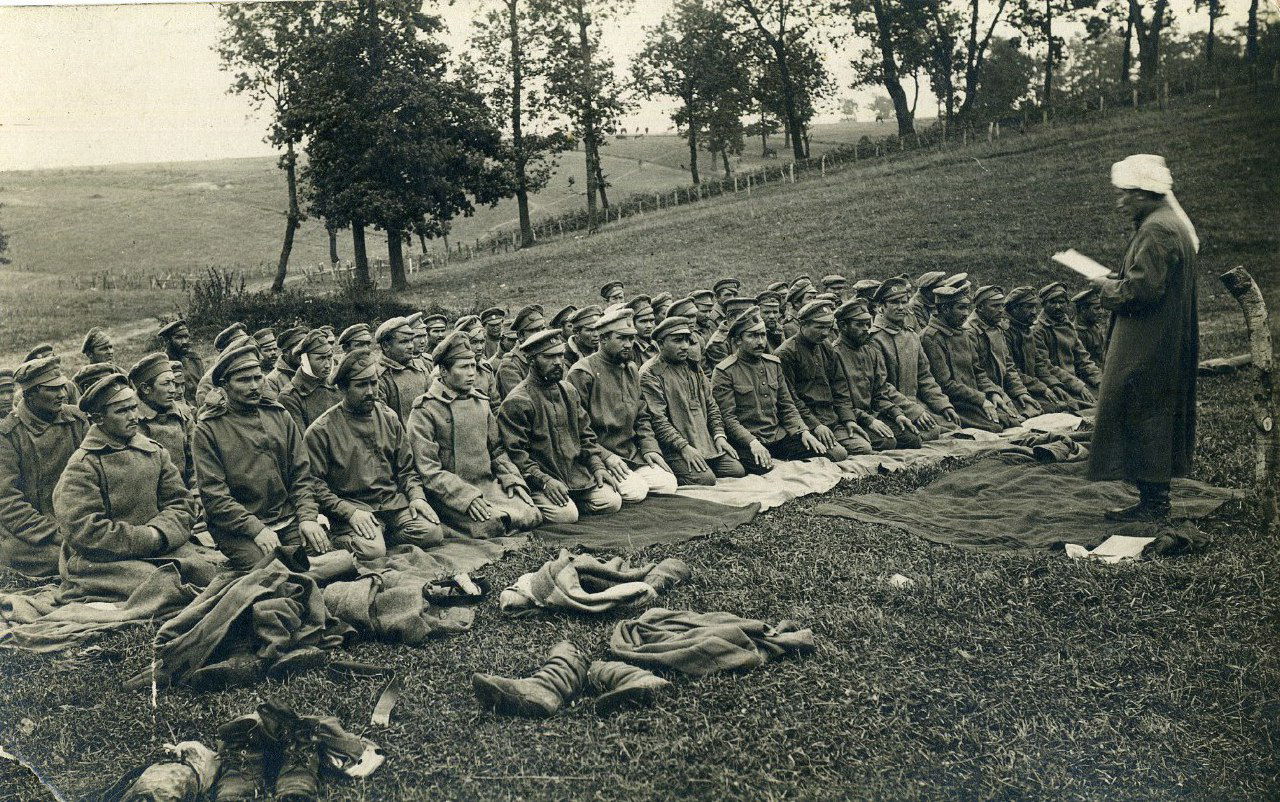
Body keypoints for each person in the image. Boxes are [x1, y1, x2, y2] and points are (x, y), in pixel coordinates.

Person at [1089, 153, 1200, 522]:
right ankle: (1153, 498)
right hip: (1162, 335)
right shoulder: (1168, 223)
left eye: (1126, 194)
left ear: (1145, 193)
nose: (1121, 201)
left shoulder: (1157, 229)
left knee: (1141, 406)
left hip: (1149, 339)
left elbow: (1142, 292)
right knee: (1150, 408)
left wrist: (1107, 287)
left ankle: (1154, 503)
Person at [53, 374, 218, 603]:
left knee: (209, 575)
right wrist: (145, 538)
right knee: (162, 585)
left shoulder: (155, 452)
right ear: (99, 418)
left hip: (160, 546)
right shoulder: (83, 465)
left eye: (133, 408)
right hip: (104, 560)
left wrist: (159, 533)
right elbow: (84, 530)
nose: (134, 417)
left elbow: (181, 504)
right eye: (122, 411)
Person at [192, 344, 328, 571]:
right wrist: (256, 529)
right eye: (244, 380)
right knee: (272, 572)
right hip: (239, 527)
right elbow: (215, 497)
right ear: (224, 385)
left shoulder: (279, 415)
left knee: (322, 552)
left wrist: (307, 517)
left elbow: (301, 474)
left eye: (258, 378)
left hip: (287, 517)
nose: (255, 386)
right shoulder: (208, 428)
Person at [305, 350, 442, 559]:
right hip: (353, 507)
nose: (370, 391)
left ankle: (383, 533)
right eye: (361, 385)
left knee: (432, 532)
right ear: (343, 389)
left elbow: (406, 469)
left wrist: (416, 497)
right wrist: (349, 513)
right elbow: (315, 485)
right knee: (373, 550)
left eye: (374, 383)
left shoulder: (388, 418)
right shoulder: (321, 431)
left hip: (390, 503)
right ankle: (341, 538)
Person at [410, 333, 542, 536]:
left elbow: (497, 450)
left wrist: (512, 480)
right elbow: (429, 470)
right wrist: (466, 498)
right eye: (464, 367)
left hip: (486, 485)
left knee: (531, 514)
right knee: (491, 525)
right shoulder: (425, 410)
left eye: (473, 366)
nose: (472, 373)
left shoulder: (481, 402)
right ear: (444, 371)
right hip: (450, 492)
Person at [498, 329, 622, 523]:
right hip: (541, 479)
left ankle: (571, 500)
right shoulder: (518, 400)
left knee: (612, 501)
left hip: (575, 476)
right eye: (549, 357)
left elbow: (586, 436)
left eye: (560, 356)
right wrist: (544, 481)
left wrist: (597, 466)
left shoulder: (568, 391)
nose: (557, 362)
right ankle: (556, 503)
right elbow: (516, 455)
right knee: (567, 515)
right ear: (532, 360)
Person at [568, 307, 677, 504]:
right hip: (598, 456)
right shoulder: (583, 372)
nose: (628, 345)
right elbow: (576, 429)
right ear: (603, 339)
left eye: (631, 339)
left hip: (630, 454)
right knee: (636, 491)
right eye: (621, 339)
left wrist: (649, 448)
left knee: (668, 483)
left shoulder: (631, 368)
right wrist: (605, 456)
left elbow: (642, 416)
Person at [0, 358, 89, 577]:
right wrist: (54, 533)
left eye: (62, 386)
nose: (62, 394)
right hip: (34, 532)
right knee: (65, 559)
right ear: (29, 394)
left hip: (80, 519)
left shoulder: (76, 421)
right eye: (52, 389)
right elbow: (8, 502)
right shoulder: (8, 435)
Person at [712, 309, 827, 474]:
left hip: (777, 436)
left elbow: (787, 404)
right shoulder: (724, 371)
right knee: (764, 467)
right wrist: (752, 442)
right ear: (738, 340)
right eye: (752, 336)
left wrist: (802, 431)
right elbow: (728, 418)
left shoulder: (773, 364)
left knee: (824, 453)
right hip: (748, 441)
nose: (760, 342)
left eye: (762, 335)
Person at [640, 315, 745, 485]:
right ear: (660, 343)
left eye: (687, 340)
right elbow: (658, 420)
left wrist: (719, 435)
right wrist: (683, 447)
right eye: (677, 340)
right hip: (674, 448)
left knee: (736, 470)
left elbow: (711, 405)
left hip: (704, 442)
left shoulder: (693, 366)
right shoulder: (650, 374)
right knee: (707, 479)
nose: (684, 346)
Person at [775, 300, 865, 459]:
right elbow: (789, 399)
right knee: (839, 454)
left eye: (828, 327)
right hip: (806, 424)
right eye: (819, 327)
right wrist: (815, 426)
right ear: (803, 325)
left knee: (868, 446)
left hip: (831, 419)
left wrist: (848, 419)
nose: (825, 333)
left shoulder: (826, 346)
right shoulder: (786, 353)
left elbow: (839, 386)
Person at [921, 284, 1018, 432]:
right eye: (961, 308)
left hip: (972, 398)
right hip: (953, 402)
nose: (966, 314)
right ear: (945, 309)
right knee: (996, 427)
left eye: (967, 308)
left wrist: (993, 393)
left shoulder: (963, 333)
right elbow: (945, 384)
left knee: (1012, 420)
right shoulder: (931, 338)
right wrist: (981, 399)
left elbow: (978, 372)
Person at [871, 277, 960, 438]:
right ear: (881, 307)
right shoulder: (875, 339)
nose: (901, 307)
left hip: (916, 404)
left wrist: (943, 405)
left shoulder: (911, 336)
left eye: (904, 302)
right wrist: (914, 411)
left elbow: (925, 377)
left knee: (954, 427)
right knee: (933, 434)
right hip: (890, 408)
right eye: (894, 303)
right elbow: (882, 386)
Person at [832, 299, 923, 450]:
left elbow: (880, 392)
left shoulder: (870, 352)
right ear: (843, 326)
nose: (866, 329)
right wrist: (869, 421)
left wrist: (896, 414)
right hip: (848, 419)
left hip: (872, 415)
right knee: (887, 442)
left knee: (913, 438)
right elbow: (839, 402)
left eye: (868, 324)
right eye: (859, 325)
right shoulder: (834, 355)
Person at [967, 285, 1042, 419]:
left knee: (1034, 409)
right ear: (980, 308)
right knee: (1012, 420)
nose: (1001, 311)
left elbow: (1008, 365)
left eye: (1001, 306)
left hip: (1003, 391)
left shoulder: (997, 327)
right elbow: (976, 374)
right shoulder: (969, 333)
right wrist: (997, 394)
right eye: (995, 306)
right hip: (985, 394)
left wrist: (1020, 392)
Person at [1004, 287, 1079, 413]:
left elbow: (1040, 363)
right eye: (1029, 307)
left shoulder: (1026, 329)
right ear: (1015, 308)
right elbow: (1010, 370)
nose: (1034, 312)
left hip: (1031, 386)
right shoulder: (1006, 332)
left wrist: (1054, 384)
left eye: (1035, 307)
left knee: (1068, 404)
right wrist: (1042, 388)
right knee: (1057, 409)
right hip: (1015, 389)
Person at [129, 353, 195, 488]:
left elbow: (196, 460)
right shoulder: (130, 419)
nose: (173, 390)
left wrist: (196, 493)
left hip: (185, 493)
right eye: (166, 384)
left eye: (174, 383)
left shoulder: (184, 413)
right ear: (146, 388)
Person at [1034, 282, 1102, 402]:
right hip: (1056, 384)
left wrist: (1099, 380)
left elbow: (1083, 359)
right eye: (1053, 302)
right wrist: (1078, 386)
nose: (1058, 306)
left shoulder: (1068, 326)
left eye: (1062, 302)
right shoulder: (1038, 330)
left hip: (1075, 382)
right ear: (1044, 304)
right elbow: (1045, 366)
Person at [278, 329, 341, 430]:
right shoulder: (291, 397)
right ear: (302, 360)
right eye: (321, 359)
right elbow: (302, 441)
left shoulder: (338, 385)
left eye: (329, 357)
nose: (328, 365)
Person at [375, 317, 430, 422]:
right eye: (404, 342)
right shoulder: (378, 375)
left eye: (411, 341)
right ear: (386, 346)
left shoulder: (420, 367)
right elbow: (382, 419)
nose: (410, 346)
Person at [494, 305, 548, 402]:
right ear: (521, 336)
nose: (541, 334)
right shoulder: (510, 365)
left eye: (542, 328)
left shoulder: (550, 356)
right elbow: (522, 402)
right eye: (533, 330)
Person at [702, 297, 756, 372]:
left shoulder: (753, 334)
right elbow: (730, 374)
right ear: (731, 318)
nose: (752, 323)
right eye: (745, 319)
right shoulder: (718, 344)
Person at [158, 319, 204, 407]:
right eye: (178, 338)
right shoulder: (163, 364)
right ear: (167, 341)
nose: (184, 342)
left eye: (186, 337)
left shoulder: (195, 359)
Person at [263, 325, 307, 400]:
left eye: (307, 349)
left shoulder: (313, 371)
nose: (305, 354)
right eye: (299, 351)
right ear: (286, 352)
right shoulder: (272, 381)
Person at [1073, 286, 1107, 369]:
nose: (1101, 312)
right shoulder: (1077, 333)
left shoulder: (1093, 326)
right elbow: (1082, 364)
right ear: (1083, 309)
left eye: (1101, 308)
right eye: (1097, 308)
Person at [629, 296, 659, 364]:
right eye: (643, 321)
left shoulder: (657, 343)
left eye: (651, 320)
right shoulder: (631, 348)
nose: (649, 326)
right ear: (633, 323)